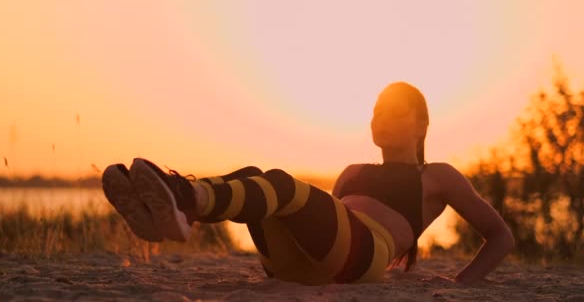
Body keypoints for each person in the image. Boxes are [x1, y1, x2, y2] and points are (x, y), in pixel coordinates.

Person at [102, 81, 514, 285]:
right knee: (254, 179)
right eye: (375, 112)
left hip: (364, 258)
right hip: (294, 267)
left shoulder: (435, 175)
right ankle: (174, 215)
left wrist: (461, 285)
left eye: (392, 112)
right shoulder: (352, 172)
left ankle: (186, 199)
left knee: (279, 184)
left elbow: (500, 236)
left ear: (422, 124)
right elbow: (317, 223)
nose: (379, 119)